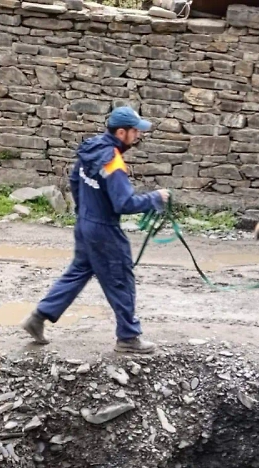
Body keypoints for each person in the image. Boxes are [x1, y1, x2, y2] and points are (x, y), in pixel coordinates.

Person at [22, 107, 170, 354]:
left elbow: (74, 180)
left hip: (85, 223)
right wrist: (155, 198)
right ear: (121, 132)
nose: (138, 135)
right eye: (135, 131)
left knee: (78, 271)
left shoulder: (90, 149)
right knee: (120, 278)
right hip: (104, 230)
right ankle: (128, 337)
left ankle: (38, 318)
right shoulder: (113, 161)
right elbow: (124, 203)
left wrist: (85, 212)